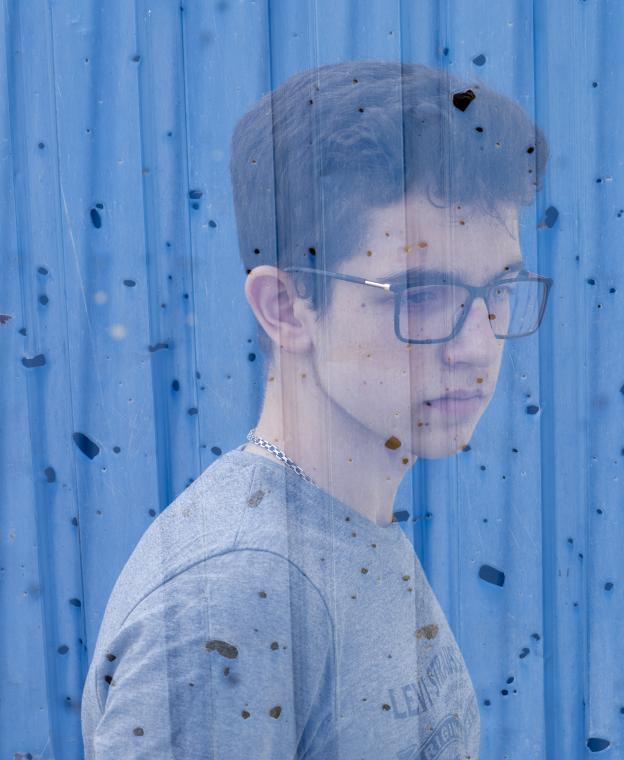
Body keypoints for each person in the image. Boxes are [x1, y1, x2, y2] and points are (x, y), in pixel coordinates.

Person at [80, 61, 550, 759]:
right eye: (420, 294)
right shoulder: (232, 594)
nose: (478, 345)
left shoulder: (342, 528)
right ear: (285, 308)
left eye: (498, 288)